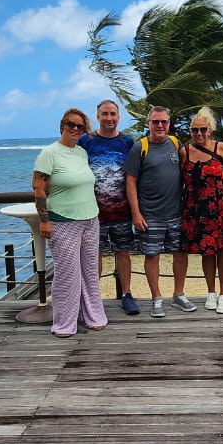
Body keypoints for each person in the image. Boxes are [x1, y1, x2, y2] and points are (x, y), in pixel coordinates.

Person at [33, 108, 107, 338]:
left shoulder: (81, 153)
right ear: (62, 125)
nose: (75, 129)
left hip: (90, 219)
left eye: (80, 126)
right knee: (67, 274)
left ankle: (93, 316)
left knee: (89, 271)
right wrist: (44, 221)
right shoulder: (49, 153)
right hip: (63, 221)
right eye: (71, 124)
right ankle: (64, 323)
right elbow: (39, 189)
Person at [123, 106, 196, 318]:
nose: (160, 125)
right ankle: (156, 298)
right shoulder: (140, 147)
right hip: (150, 215)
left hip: (176, 213)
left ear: (169, 123)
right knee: (152, 255)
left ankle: (178, 294)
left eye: (164, 121)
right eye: (155, 121)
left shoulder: (175, 143)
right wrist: (136, 213)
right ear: (149, 124)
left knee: (180, 254)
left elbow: (186, 171)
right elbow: (130, 181)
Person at [77, 100, 140, 316]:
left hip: (122, 212)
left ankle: (127, 294)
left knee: (123, 253)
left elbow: (135, 176)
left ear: (118, 116)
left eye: (113, 113)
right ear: (98, 116)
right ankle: (94, 298)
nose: (109, 118)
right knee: (94, 255)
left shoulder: (127, 142)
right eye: (105, 114)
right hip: (93, 213)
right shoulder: (86, 141)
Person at [179, 107, 223, 314]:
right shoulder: (185, 152)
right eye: (194, 130)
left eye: (202, 130)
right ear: (190, 131)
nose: (199, 134)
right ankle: (211, 292)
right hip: (197, 210)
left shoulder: (221, 148)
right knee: (206, 252)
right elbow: (179, 181)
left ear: (210, 130)